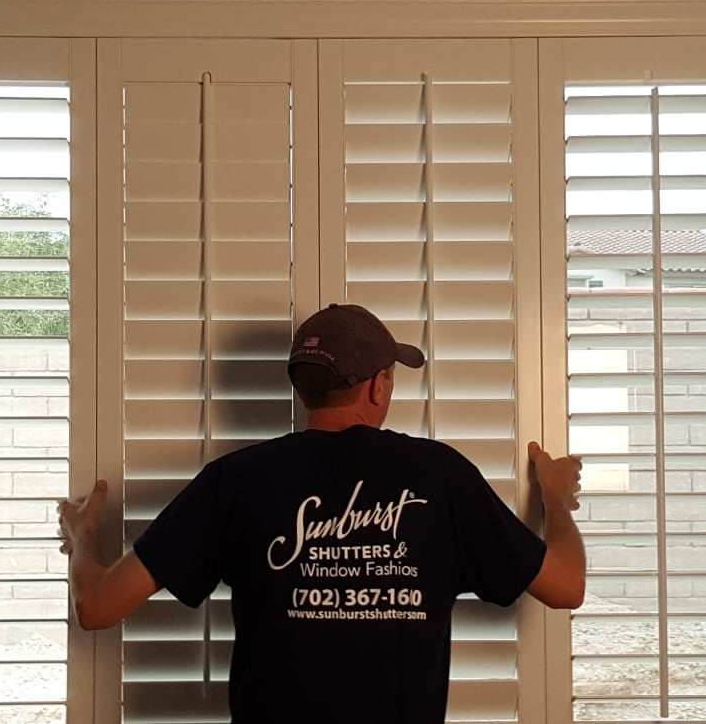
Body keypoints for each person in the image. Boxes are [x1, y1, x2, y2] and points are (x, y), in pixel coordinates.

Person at [58, 303, 585, 723]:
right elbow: (566, 587)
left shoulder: (236, 481)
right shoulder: (440, 476)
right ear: (379, 385)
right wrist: (556, 502)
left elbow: (98, 607)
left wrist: (85, 535)